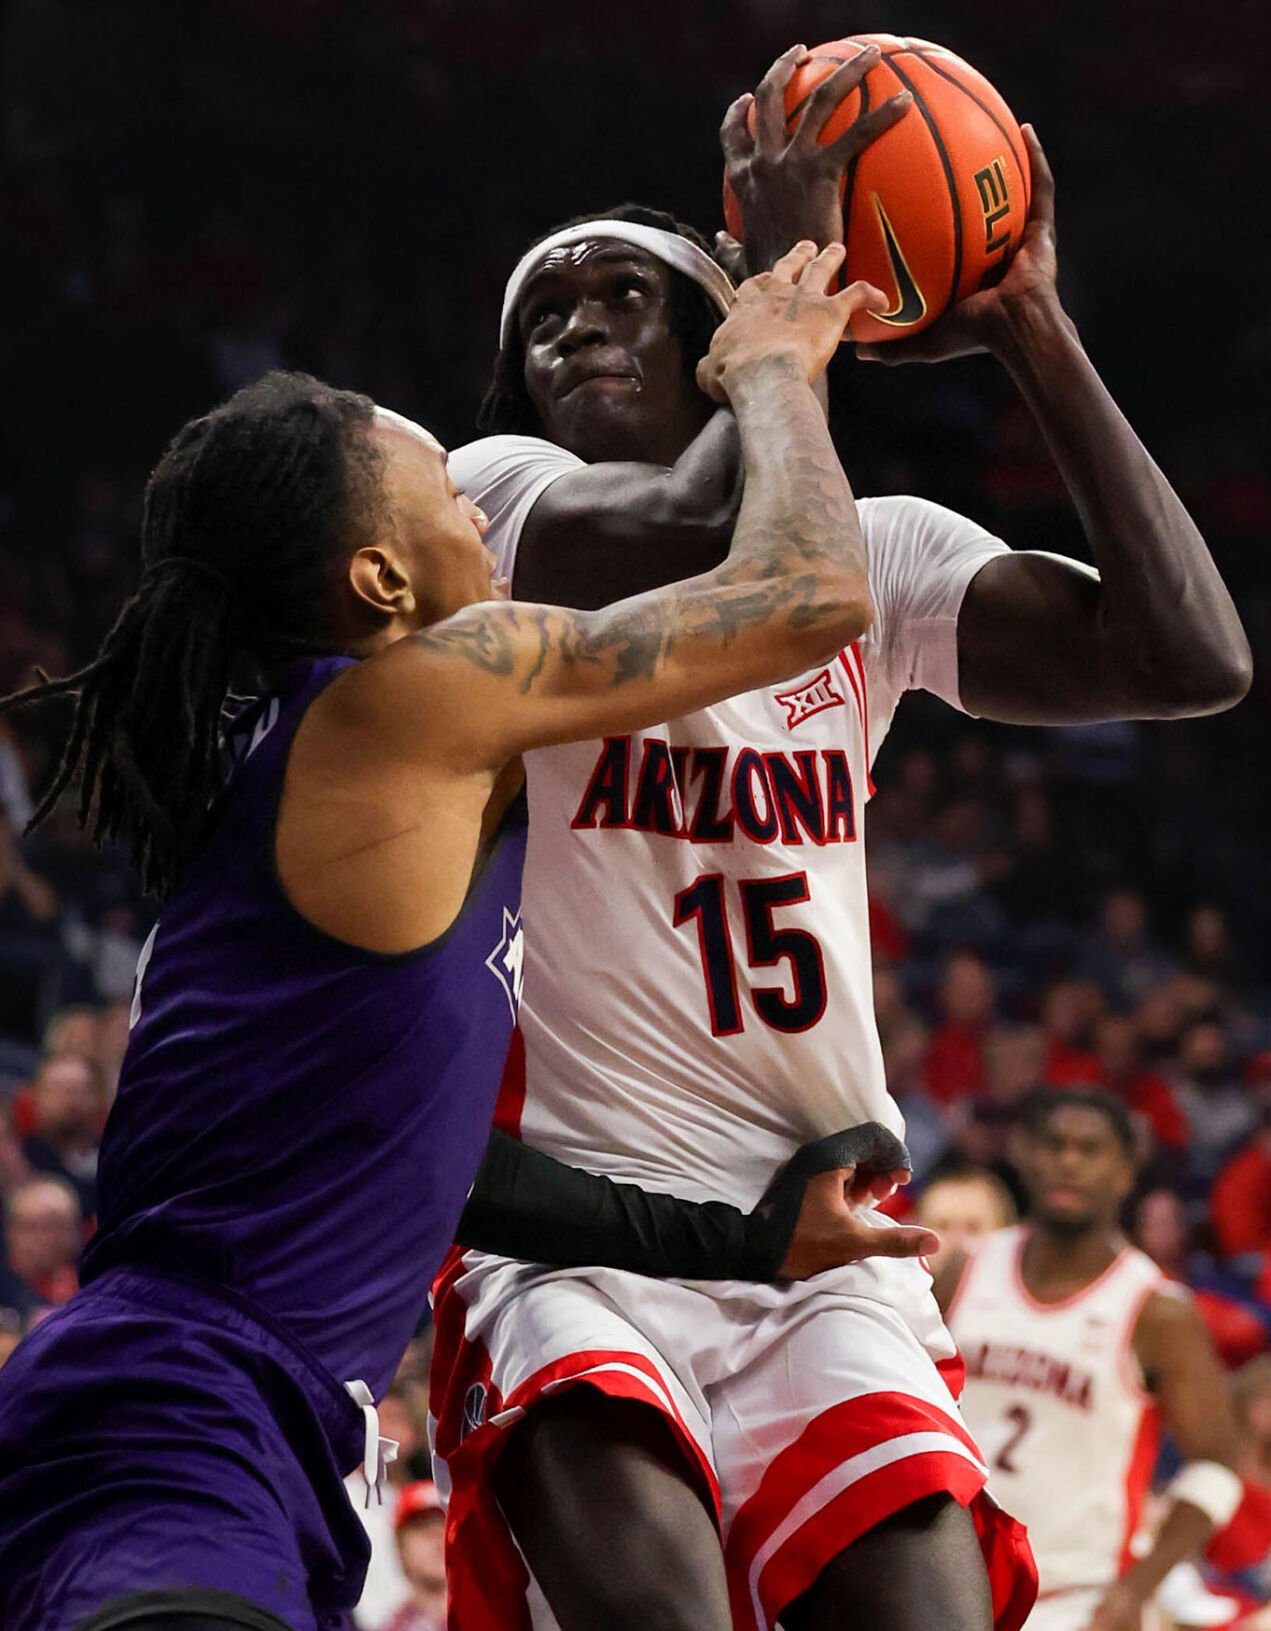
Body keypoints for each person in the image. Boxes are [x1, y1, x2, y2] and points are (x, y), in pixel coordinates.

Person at [427, 40, 1250, 1631]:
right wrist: (783, 304)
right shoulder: (500, 500)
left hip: (831, 1242)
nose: (576, 328)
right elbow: (683, 526)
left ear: (702, 329)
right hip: (577, 1234)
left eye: (620, 298)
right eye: (544, 316)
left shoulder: (880, 554)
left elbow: (1188, 661)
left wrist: (1027, 323)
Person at [0, 239, 893, 1631]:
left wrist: (734, 1236)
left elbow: (435, 1163)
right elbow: (812, 599)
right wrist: (773, 374)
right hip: (184, 1408)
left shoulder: (318, 769)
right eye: (446, 496)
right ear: (378, 582)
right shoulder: (420, 693)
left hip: (218, 1412)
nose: (484, 518)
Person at [940, 1090, 1244, 1631]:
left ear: (1127, 1172)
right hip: (946, 1583)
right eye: (1054, 1145)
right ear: (1025, 1154)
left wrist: (1138, 1588)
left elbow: (1218, 1467)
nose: (1069, 1162)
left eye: (1090, 1148)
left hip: (1072, 1601)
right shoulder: (965, 1269)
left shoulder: (1156, 1310)